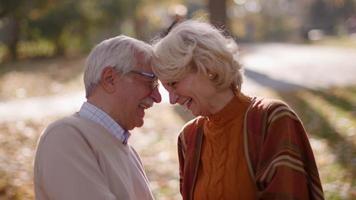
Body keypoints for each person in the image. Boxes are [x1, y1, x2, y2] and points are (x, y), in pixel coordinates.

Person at [152, 20, 324, 200]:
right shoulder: (189, 139)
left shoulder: (271, 119)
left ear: (207, 67)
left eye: (174, 83)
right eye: (167, 89)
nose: (172, 99)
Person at [34, 35, 161, 200]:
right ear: (110, 79)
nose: (158, 97)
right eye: (150, 82)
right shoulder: (65, 137)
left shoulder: (128, 151)